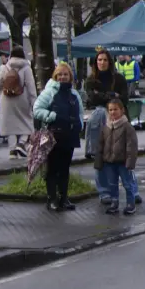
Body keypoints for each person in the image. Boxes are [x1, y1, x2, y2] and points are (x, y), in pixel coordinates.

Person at [33, 62, 84, 212]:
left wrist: (80, 125)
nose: (62, 77)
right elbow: (37, 109)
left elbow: (81, 112)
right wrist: (52, 116)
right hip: (53, 136)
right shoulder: (49, 92)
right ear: (55, 76)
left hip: (70, 136)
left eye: (65, 74)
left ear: (70, 76)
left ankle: (64, 198)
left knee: (65, 168)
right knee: (53, 168)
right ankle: (52, 199)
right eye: (60, 74)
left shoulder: (74, 94)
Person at [95, 97, 139, 216]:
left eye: (115, 109)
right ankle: (114, 203)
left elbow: (132, 146)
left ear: (122, 110)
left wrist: (130, 163)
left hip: (123, 162)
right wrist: (99, 161)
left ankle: (130, 203)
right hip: (109, 162)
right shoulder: (106, 127)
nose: (113, 112)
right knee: (112, 184)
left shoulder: (127, 127)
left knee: (127, 183)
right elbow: (100, 145)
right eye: (110, 110)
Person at [84, 49, 128, 164]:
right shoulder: (90, 80)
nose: (102, 63)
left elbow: (124, 99)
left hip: (118, 119)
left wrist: (101, 95)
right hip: (99, 120)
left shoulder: (119, 79)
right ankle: (94, 150)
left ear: (109, 62)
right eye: (99, 60)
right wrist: (112, 95)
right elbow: (93, 99)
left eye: (105, 60)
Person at [0, 46, 37, 159]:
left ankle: (12, 151)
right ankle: (21, 143)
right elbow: (31, 86)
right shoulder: (26, 68)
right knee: (27, 121)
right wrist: (34, 102)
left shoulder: (5, 67)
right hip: (22, 98)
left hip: (6, 99)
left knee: (10, 125)